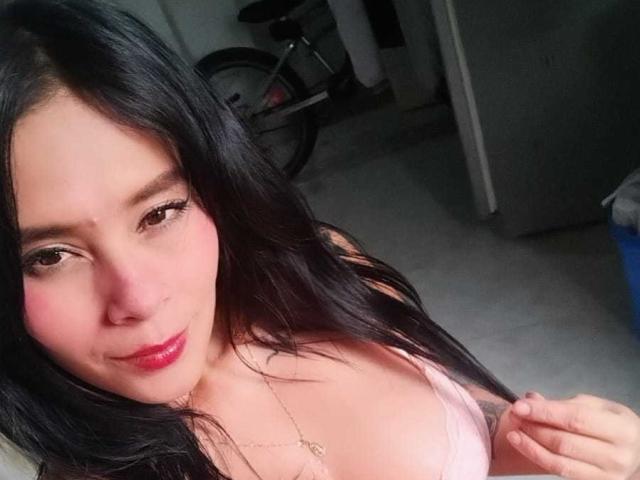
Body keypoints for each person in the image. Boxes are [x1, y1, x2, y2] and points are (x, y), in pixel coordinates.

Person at [0, 1, 638, 479]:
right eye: (49, 256)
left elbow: (470, 429)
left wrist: (531, 444)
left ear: (212, 181)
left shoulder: (324, 268)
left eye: (160, 212)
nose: (138, 298)